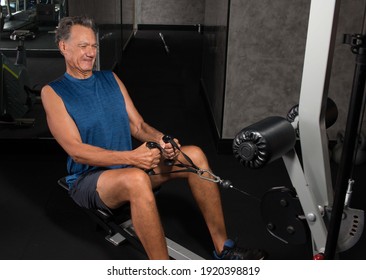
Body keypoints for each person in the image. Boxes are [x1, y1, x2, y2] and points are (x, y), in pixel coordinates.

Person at [41, 15, 266, 260]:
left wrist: (162, 139)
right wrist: (132, 157)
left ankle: (224, 248)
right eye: (83, 46)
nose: (90, 52)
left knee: (194, 155)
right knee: (136, 179)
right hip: (90, 180)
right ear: (63, 47)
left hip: (128, 167)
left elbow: (137, 125)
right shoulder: (54, 92)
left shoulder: (110, 79)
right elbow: (76, 150)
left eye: (93, 46)